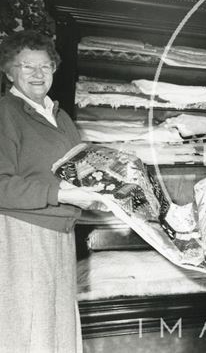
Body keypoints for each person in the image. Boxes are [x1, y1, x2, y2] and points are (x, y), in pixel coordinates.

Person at [0, 30, 104, 352]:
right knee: (28, 329)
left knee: (57, 328)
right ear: (9, 71)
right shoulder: (6, 112)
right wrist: (60, 193)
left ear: (54, 70)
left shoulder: (61, 118)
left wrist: (106, 192)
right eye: (26, 66)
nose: (37, 74)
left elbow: (80, 174)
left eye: (44, 66)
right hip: (22, 233)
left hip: (60, 233)